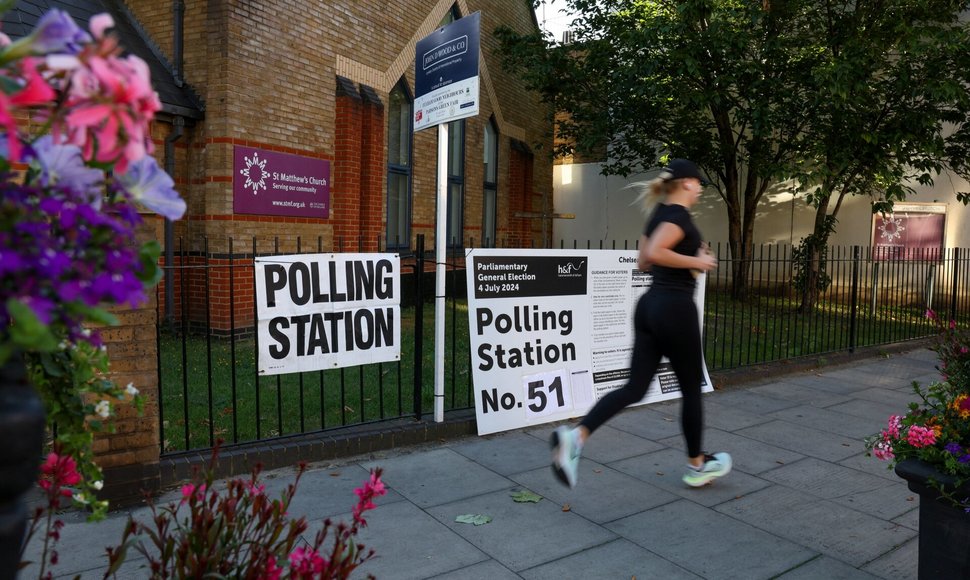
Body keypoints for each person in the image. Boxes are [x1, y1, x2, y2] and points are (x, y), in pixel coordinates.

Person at [550, 158, 730, 489]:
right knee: (691, 389)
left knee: (635, 387)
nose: (702, 188)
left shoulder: (659, 215)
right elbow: (657, 253)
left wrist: (685, 260)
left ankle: (576, 438)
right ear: (687, 183)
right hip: (675, 309)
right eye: (699, 182)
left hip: (650, 307)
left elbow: (643, 260)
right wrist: (698, 260)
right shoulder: (677, 216)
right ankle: (696, 465)